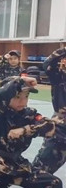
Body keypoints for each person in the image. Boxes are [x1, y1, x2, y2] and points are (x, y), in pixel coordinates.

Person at [32, 46, 66, 177]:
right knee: (41, 170)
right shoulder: (60, 77)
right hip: (60, 130)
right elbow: (48, 64)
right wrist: (64, 50)